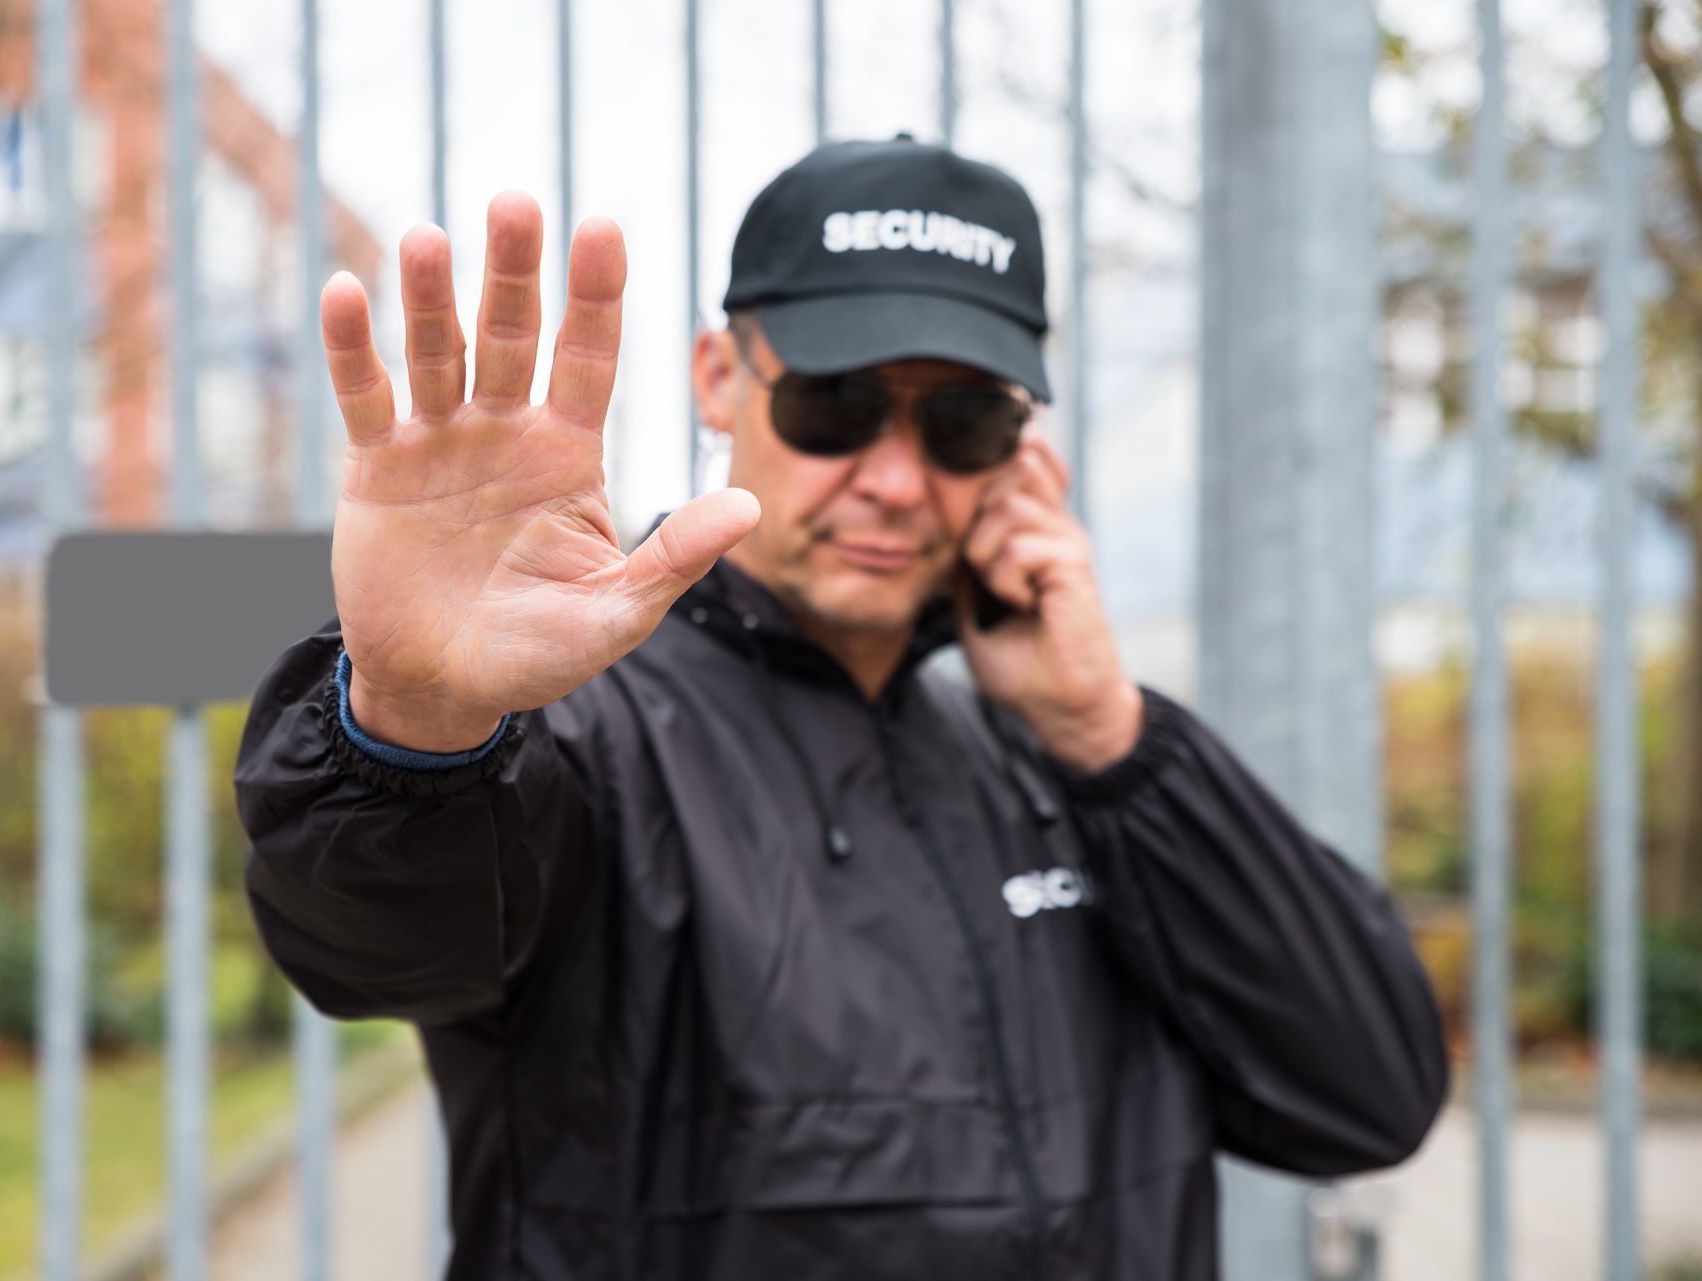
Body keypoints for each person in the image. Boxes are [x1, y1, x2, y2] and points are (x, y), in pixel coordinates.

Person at [236, 136, 1448, 1280]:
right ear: (721, 379)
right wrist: (415, 722)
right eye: (837, 404)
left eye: (964, 422)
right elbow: (376, 948)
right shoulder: (576, 739)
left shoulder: (1063, 760)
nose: (894, 478)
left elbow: (1363, 1096)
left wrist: (1111, 742)